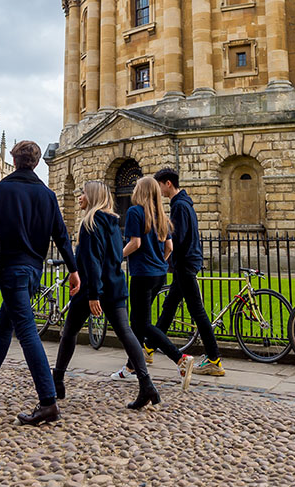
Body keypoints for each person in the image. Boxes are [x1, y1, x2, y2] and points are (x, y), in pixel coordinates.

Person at [0, 140, 79, 426]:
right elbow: (62, 236)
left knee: (26, 334)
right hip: (34, 272)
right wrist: (74, 270)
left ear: (14, 159)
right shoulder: (48, 195)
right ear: (36, 163)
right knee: (4, 330)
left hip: (13, 270)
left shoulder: (3, 189)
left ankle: (48, 402)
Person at [53, 181, 161, 409]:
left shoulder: (90, 224)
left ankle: (57, 380)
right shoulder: (113, 222)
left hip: (92, 289)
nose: (80, 197)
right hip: (114, 287)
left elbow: (93, 262)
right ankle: (146, 384)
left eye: (83, 193)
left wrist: (94, 294)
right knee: (127, 334)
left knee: (69, 332)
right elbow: (114, 258)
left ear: (91, 197)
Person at [111, 175, 195, 389]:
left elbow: (135, 243)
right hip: (159, 274)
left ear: (140, 191)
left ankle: (179, 358)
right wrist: (160, 262)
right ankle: (131, 367)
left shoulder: (134, 212)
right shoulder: (162, 216)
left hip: (142, 274)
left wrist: (117, 257)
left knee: (140, 324)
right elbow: (170, 248)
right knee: (140, 322)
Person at [153, 168, 224, 377]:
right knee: (169, 306)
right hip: (184, 264)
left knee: (198, 313)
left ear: (167, 184)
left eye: (159, 185)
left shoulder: (180, 206)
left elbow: (179, 238)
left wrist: (166, 252)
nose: (158, 190)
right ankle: (149, 348)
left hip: (184, 264)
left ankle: (214, 359)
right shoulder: (182, 204)